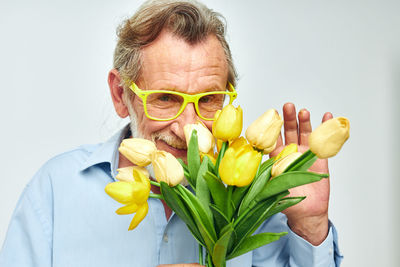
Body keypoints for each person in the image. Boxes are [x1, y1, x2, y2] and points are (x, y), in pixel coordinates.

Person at [0, 0, 343, 266]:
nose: (190, 128)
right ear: (121, 95)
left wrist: (310, 227)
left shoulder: (259, 198)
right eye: (165, 98)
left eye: (209, 99)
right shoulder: (55, 191)